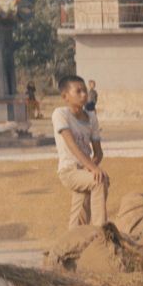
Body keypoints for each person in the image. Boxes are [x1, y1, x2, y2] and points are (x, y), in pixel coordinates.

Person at [53, 74, 109, 228]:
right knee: (99, 181)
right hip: (69, 171)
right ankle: (100, 231)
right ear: (65, 96)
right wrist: (93, 168)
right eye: (78, 91)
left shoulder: (91, 117)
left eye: (84, 91)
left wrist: (90, 167)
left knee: (79, 217)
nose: (84, 95)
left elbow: (98, 153)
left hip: (84, 170)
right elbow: (72, 146)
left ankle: (73, 241)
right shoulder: (60, 114)